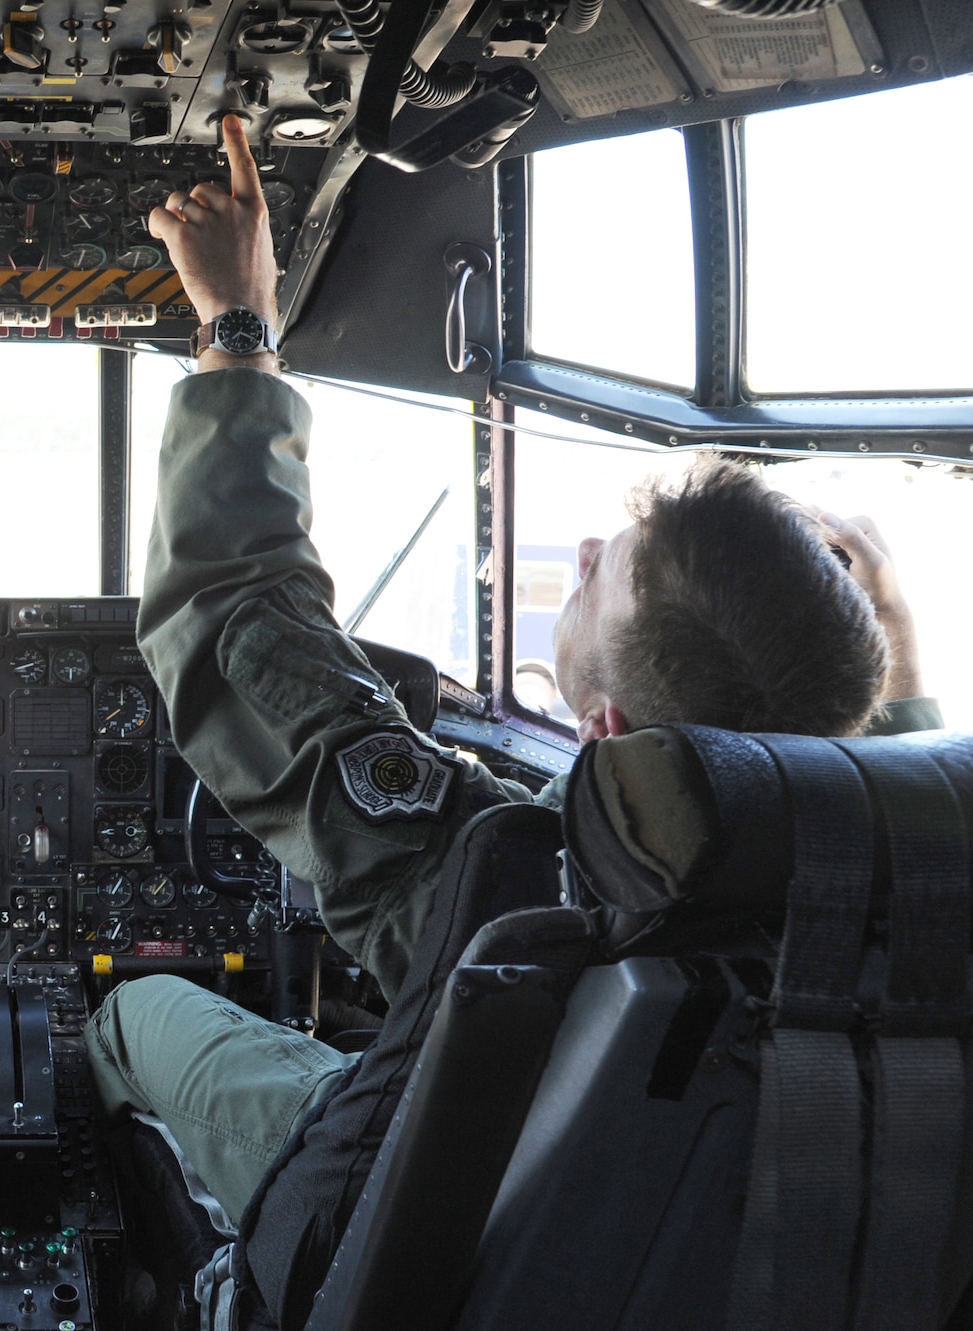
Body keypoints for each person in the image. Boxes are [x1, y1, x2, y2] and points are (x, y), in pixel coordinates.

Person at [84, 114, 944, 1231]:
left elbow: (235, 614)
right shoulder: (911, 902)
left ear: (608, 730)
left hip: (407, 1228)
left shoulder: (506, 886)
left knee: (131, 1007)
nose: (581, 553)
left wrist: (237, 322)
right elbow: (896, 765)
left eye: (607, 574)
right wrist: (897, 657)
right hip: (675, 1251)